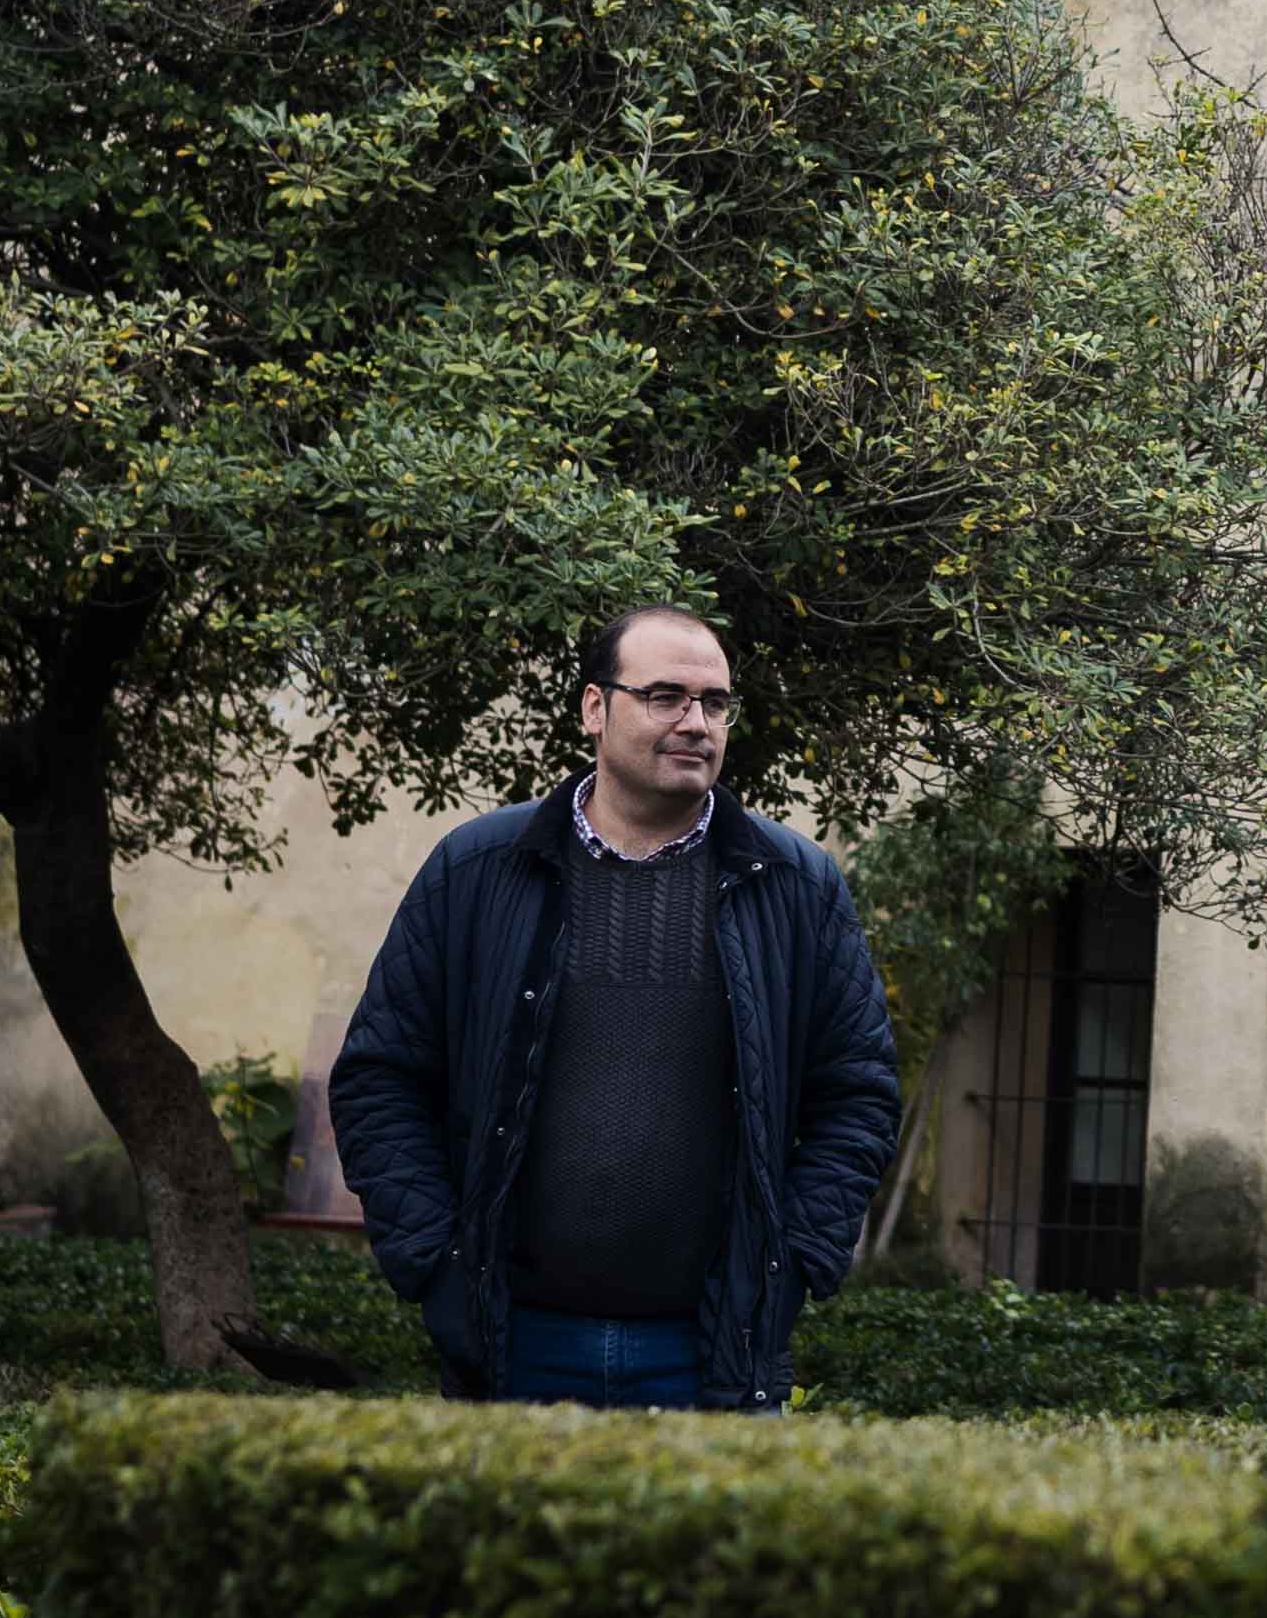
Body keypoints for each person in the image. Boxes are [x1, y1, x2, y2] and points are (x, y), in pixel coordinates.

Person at [330, 601, 901, 1408]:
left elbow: (860, 1094)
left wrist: (791, 1263)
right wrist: (435, 1264)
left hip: (712, 1355)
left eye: (714, 702)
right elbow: (380, 1077)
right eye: (666, 695)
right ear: (595, 709)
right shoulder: (479, 870)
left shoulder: (796, 887)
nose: (696, 721)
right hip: (510, 1344)